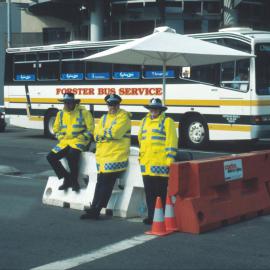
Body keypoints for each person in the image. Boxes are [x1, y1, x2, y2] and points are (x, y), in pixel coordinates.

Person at [80, 94, 132, 220]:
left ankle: (96, 210)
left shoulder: (124, 117)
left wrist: (103, 134)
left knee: (106, 183)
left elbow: (116, 133)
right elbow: (96, 133)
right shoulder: (104, 117)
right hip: (103, 156)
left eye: (114, 104)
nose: (112, 107)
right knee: (100, 182)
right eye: (110, 105)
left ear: (119, 105)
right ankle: (94, 207)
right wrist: (105, 134)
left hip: (116, 156)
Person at [138, 98, 178, 225]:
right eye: (151, 108)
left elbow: (171, 141)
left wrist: (169, 160)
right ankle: (151, 216)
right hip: (146, 163)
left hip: (160, 163)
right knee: (149, 192)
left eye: (156, 108)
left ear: (160, 110)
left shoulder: (167, 122)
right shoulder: (144, 121)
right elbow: (141, 139)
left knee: (160, 192)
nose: (153, 110)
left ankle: (162, 216)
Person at [47, 93, 94, 191]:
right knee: (50, 157)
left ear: (74, 103)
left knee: (72, 155)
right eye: (65, 103)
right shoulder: (60, 114)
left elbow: (91, 129)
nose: (67, 105)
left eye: (69, 102)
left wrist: (82, 137)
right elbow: (56, 129)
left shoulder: (84, 113)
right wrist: (60, 137)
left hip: (79, 142)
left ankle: (74, 181)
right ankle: (67, 178)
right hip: (64, 142)